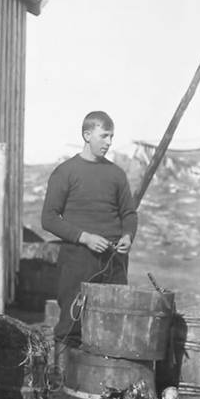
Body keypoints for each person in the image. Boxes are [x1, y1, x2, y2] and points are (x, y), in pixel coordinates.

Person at [41, 110, 138, 348]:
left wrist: (128, 236)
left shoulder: (116, 174)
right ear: (87, 135)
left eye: (111, 136)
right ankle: (63, 370)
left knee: (113, 326)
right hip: (78, 259)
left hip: (114, 260)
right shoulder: (66, 172)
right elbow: (49, 218)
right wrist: (84, 237)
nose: (109, 142)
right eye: (104, 136)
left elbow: (129, 213)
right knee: (72, 326)